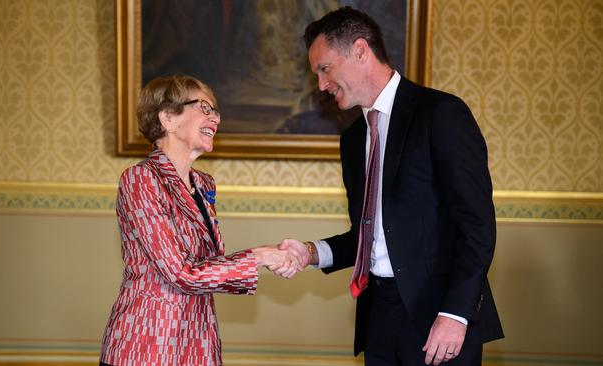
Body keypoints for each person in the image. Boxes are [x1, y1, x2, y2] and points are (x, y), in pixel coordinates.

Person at [281, 7, 504, 366]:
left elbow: (477, 227)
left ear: (360, 51)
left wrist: (455, 314)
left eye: (324, 69)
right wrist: (310, 252)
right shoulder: (353, 139)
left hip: (440, 320)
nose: (321, 84)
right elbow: (370, 235)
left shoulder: (441, 114)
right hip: (378, 318)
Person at [99, 76, 300, 366]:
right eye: (205, 108)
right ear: (168, 118)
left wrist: (268, 255)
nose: (215, 118)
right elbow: (181, 273)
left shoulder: (204, 184)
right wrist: (258, 256)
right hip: (147, 345)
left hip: (199, 344)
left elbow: (209, 266)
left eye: (216, 111)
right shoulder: (142, 179)